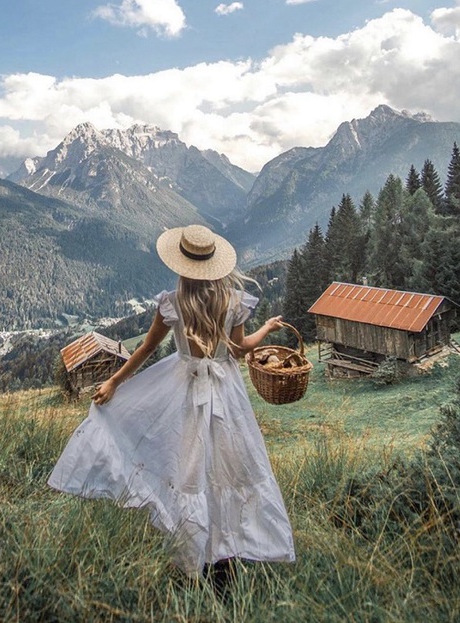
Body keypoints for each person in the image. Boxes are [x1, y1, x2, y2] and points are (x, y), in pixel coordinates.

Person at [48, 224, 295, 575]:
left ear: (183, 266)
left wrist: (115, 382)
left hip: (184, 389)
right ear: (215, 265)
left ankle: (193, 549)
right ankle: (230, 547)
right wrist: (267, 328)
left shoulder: (173, 304)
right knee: (229, 464)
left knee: (189, 466)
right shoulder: (234, 302)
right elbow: (240, 352)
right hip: (226, 393)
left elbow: (146, 348)